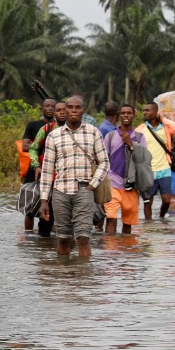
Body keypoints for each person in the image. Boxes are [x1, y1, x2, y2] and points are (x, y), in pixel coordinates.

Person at [37, 95, 108, 258]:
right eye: (70, 107)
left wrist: (92, 185)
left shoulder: (93, 132)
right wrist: (43, 200)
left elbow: (104, 162)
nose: (74, 110)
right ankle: (64, 277)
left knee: (83, 238)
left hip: (84, 190)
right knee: (63, 238)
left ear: (83, 110)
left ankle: (83, 277)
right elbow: (47, 169)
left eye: (78, 107)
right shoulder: (54, 136)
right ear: (65, 109)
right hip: (60, 191)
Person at [135, 101, 175, 220]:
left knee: (167, 200)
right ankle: (148, 224)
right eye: (144, 110)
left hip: (164, 170)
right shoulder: (141, 128)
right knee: (148, 202)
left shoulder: (165, 127)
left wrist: (163, 118)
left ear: (155, 113)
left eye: (148, 110)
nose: (145, 113)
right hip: (148, 171)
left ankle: (161, 218)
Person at [103, 104, 146, 234]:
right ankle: (110, 251)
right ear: (119, 115)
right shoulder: (110, 136)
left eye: (129, 113)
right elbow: (103, 160)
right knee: (111, 218)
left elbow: (143, 159)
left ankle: (126, 251)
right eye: (123, 113)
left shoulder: (140, 137)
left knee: (128, 223)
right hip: (112, 183)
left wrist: (130, 144)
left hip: (131, 185)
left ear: (134, 115)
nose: (126, 115)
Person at [28, 101, 68, 236]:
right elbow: (33, 149)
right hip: (50, 179)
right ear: (55, 114)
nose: (62, 112)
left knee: (69, 218)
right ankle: (44, 250)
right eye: (59, 110)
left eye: (64, 109)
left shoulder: (78, 131)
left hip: (70, 180)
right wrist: (36, 166)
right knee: (45, 217)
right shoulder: (46, 129)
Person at [20, 98, 57, 232]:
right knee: (30, 205)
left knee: (52, 205)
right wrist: (42, 145)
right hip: (35, 169)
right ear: (42, 108)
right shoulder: (33, 125)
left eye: (53, 106)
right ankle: (29, 235)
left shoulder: (59, 127)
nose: (50, 109)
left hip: (53, 171)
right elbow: (25, 146)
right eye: (47, 106)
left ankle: (48, 237)